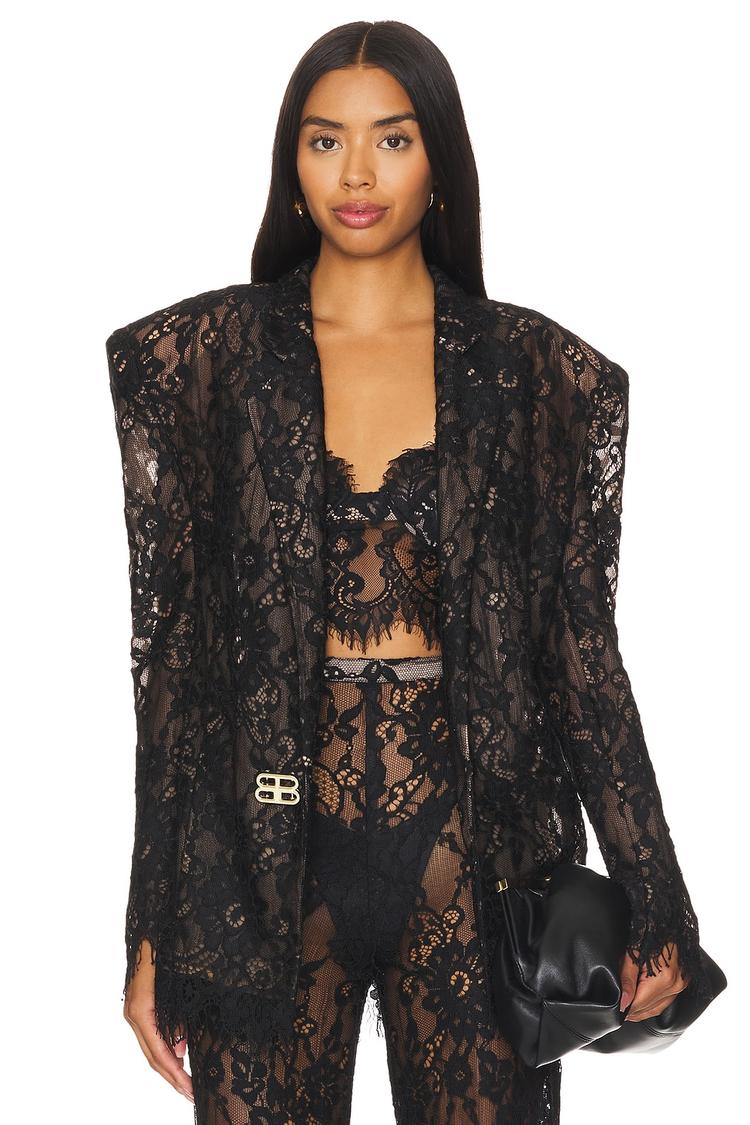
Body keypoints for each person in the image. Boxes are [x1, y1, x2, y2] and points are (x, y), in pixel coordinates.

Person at [105, 20, 709, 1125]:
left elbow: (579, 649)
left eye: (392, 139)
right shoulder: (201, 362)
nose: (357, 174)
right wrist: (150, 921)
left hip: (476, 861)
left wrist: (654, 888)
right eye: (324, 140)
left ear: (441, 161)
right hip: (255, 861)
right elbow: (173, 665)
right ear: (291, 163)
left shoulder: (535, 372)